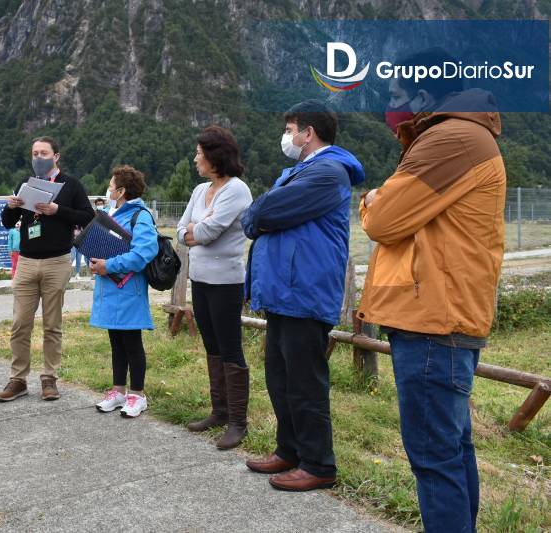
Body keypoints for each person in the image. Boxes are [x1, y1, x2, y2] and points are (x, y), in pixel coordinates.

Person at [360, 48, 506, 533]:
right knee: (450, 449)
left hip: (432, 320)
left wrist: (372, 199)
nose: (390, 104)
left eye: (397, 94)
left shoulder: (451, 139)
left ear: (423, 95)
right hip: (440, 315)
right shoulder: (462, 134)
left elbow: (383, 219)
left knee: (434, 457)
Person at [241, 100, 364, 492]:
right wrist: (259, 212)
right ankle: (289, 449)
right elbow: (260, 214)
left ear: (307, 133)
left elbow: (262, 214)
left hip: (304, 291)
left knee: (305, 382)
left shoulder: (328, 172)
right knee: (280, 376)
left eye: (290, 128)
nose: (287, 137)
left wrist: (259, 210)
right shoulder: (302, 171)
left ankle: (319, 464)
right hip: (284, 292)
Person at [0, 137, 95, 401]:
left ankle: (49, 377)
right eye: (34, 153)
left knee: (52, 325)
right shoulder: (25, 184)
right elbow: (8, 223)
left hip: (57, 261)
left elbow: (87, 216)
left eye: (44, 153)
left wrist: (57, 210)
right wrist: (10, 207)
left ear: (56, 156)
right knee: (20, 323)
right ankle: (18, 379)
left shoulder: (71, 184)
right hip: (27, 262)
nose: (38, 157)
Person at [178, 125, 253, 450]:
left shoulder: (237, 190)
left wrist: (197, 231)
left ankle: (238, 421)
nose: (195, 158)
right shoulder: (199, 191)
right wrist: (194, 231)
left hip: (226, 282)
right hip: (201, 278)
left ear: (214, 156)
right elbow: (183, 231)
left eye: (199, 153)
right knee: (211, 345)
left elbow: (206, 234)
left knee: (230, 346)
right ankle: (219, 412)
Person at [89, 166, 159, 418]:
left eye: (110, 185)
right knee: (116, 342)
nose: (107, 189)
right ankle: (118, 391)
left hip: (129, 290)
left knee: (132, 343)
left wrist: (109, 265)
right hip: (109, 288)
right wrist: (96, 261)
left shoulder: (140, 216)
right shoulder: (109, 213)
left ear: (121, 190)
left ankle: (137, 394)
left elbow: (143, 253)